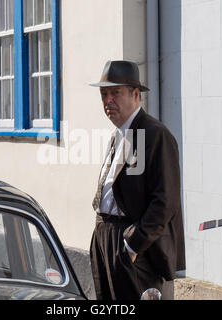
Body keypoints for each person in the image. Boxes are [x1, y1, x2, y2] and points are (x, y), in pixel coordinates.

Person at [89, 60, 185, 300]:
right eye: (104, 94)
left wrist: (133, 246)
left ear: (135, 95)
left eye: (116, 93)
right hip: (105, 238)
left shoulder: (155, 133)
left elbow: (165, 201)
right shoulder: (118, 134)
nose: (108, 100)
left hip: (132, 246)